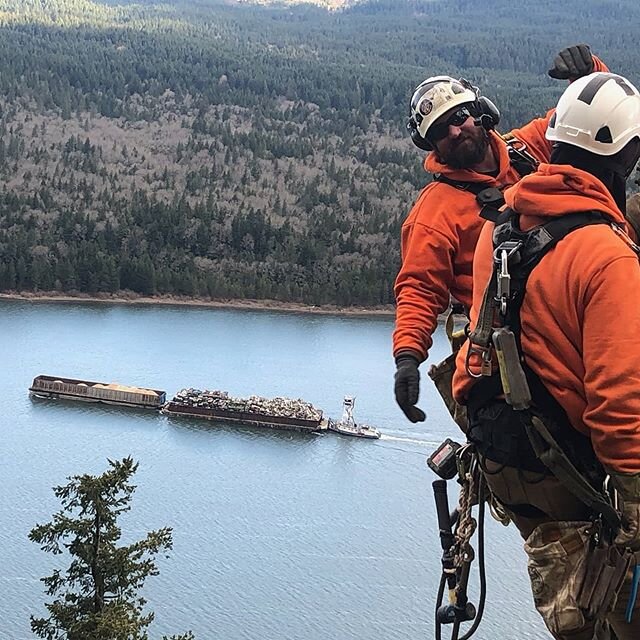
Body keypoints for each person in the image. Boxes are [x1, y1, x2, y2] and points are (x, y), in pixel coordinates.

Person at [452, 71, 640, 639]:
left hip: (519, 459)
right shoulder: (606, 256)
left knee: (582, 609)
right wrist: (633, 495)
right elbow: (619, 398)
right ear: (625, 157)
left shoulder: (502, 227)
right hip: (575, 468)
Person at [393, 45, 608, 424]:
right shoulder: (433, 214)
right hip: (514, 338)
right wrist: (408, 358)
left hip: (580, 288)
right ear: (432, 145)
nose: (456, 131)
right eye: (441, 131)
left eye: (459, 117)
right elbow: (419, 289)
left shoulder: (529, 146)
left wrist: (588, 72)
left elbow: (594, 119)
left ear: (481, 113)